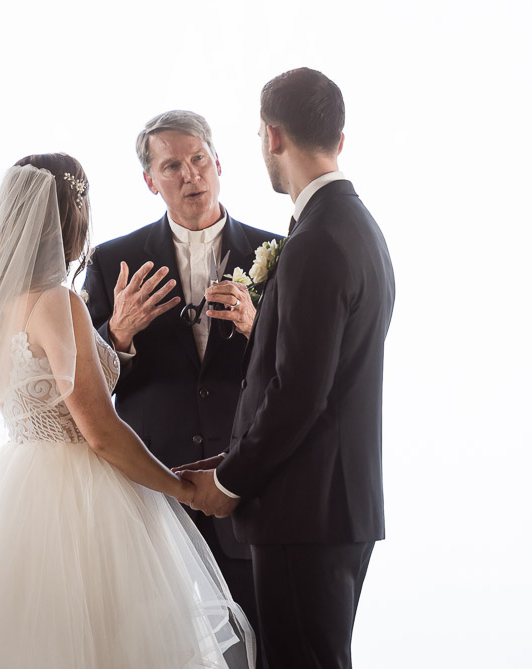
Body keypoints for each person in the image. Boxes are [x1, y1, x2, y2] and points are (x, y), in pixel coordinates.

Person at [0, 153, 254, 669]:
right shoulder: (58, 301)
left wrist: (115, 339)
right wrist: (180, 488)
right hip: (81, 498)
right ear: (70, 216)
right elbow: (99, 431)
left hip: (17, 487)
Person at [178, 68, 396, 669]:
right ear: (338, 138)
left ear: (273, 136)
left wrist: (229, 482)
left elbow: (299, 393)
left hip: (305, 514)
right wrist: (230, 461)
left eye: (258, 135)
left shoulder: (319, 239)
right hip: (331, 507)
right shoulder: (355, 227)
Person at [81, 110, 280, 665]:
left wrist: (257, 327)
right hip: (150, 490)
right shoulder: (112, 260)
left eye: (199, 160)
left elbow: (298, 372)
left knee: (255, 648)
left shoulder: (277, 252)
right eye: (172, 166)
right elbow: (80, 384)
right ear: (151, 181)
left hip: (241, 486)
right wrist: (117, 334)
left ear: (218, 163)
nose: (191, 175)